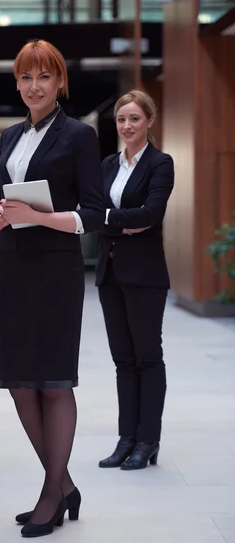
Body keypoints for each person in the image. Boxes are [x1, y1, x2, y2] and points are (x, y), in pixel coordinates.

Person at [0, 39, 104, 538]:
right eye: (26, 78)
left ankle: (52, 493)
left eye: (44, 77)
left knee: (54, 382)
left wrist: (40, 217)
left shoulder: (79, 135)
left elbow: (94, 214)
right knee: (19, 384)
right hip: (13, 268)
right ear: (17, 84)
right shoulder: (11, 136)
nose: (34, 87)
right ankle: (65, 484)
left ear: (60, 83)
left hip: (55, 270)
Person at [95, 89, 174, 471]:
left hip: (144, 275)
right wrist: (124, 221)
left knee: (147, 357)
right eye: (121, 120)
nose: (127, 126)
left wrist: (114, 219)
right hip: (110, 271)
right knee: (122, 360)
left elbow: (151, 213)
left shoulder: (161, 163)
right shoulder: (108, 164)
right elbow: (94, 211)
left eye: (134, 119)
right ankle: (126, 439)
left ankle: (148, 440)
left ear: (149, 122)